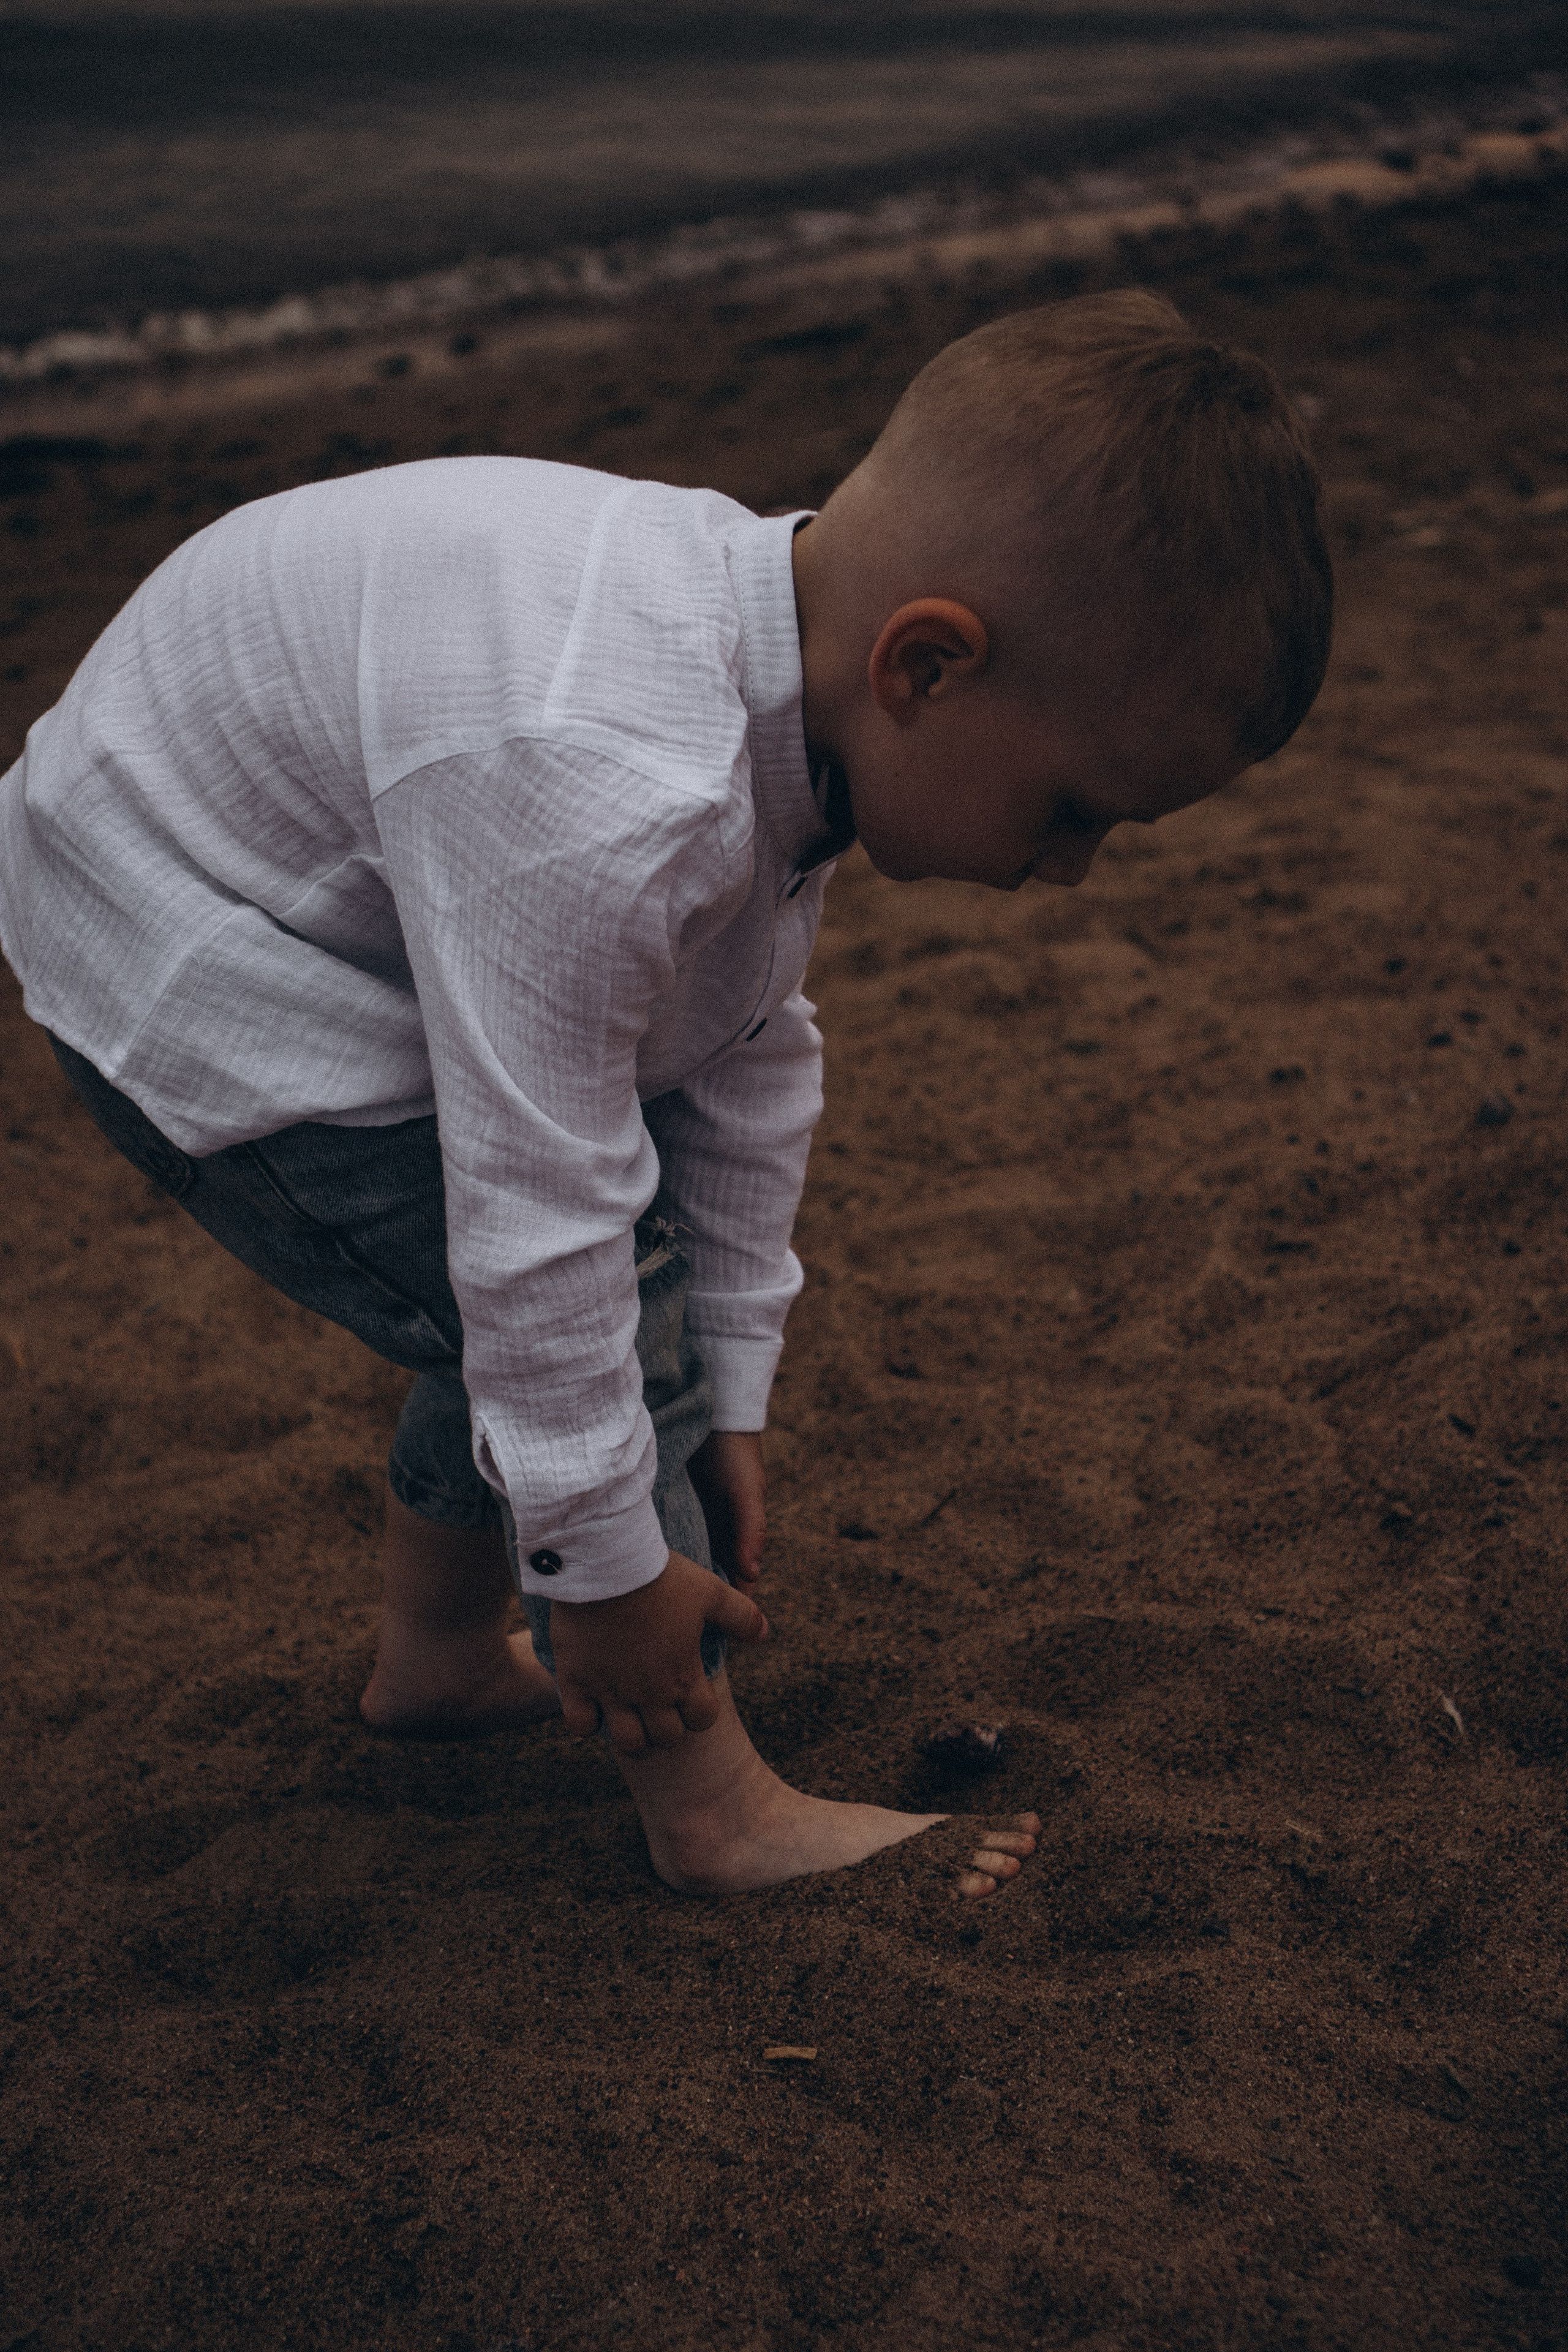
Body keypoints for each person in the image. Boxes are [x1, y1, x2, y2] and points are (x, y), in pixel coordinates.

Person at [0, 289, 1332, 1898]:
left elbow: (747, 1052)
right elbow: (537, 1219)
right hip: (179, 931)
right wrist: (611, 1564)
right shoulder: (613, 786)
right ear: (929, 665)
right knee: (577, 1310)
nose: (1067, 875)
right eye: (1073, 813)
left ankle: (432, 1664)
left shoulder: (782, 691)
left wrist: (735, 1393)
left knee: (619, 1323)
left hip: (328, 877)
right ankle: (709, 1808)